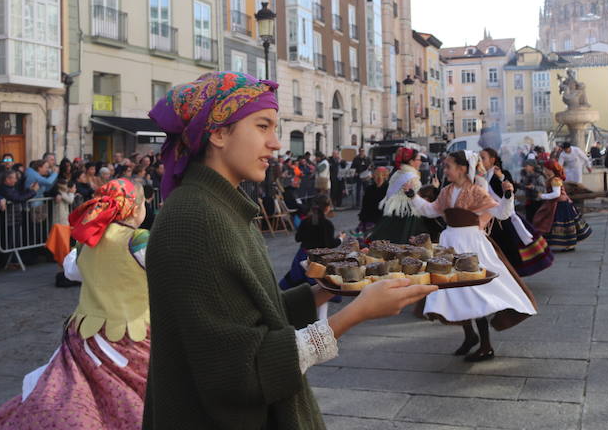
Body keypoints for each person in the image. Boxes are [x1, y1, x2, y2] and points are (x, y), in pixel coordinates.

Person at [143, 72, 436, 428]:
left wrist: (327, 289)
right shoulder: (193, 220)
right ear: (218, 133)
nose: (276, 143)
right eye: (263, 127)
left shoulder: (219, 206)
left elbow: (250, 314)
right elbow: (239, 371)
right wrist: (354, 315)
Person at [0, 179, 151, 429]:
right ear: (136, 208)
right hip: (131, 334)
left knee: (85, 394)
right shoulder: (139, 240)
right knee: (138, 396)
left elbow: (72, 271)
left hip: (87, 335)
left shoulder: (88, 240)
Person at [412, 150, 537, 361]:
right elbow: (431, 210)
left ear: (462, 169)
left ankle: (486, 345)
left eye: (449, 166)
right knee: (455, 292)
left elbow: (501, 213)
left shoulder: (476, 191)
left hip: (471, 245)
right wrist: (412, 197)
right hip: (450, 243)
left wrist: (508, 196)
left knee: (474, 292)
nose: (445, 170)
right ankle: (470, 336)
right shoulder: (446, 191)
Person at [480, 149, 553, 277]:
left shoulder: (503, 173)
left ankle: (511, 274)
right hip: (489, 219)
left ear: (492, 159)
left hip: (504, 218)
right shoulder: (482, 176)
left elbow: (509, 190)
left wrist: (501, 177)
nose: (480, 160)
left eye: (483, 157)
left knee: (509, 248)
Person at [369, 147, 429, 244]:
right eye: (418, 159)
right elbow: (415, 196)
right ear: (411, 161)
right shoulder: (411, 176)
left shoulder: (398, 173)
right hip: (407, 214)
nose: (421, 162)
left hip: (394, 212)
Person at [532, 160, 592, 251]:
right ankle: (562, 244)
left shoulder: (555, 180)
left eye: (545, 168)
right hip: (556, 203)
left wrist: (542, 196)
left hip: (560, 204)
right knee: (554, 224)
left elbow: (556, 194)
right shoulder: (551, 179)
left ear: (550, 169)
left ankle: (568, 245)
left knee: (562, 225)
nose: (544, 170)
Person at [354, 166, 389, 241]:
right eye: (377, 176)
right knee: (367, 242)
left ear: (385, 176)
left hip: (381, 221)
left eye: (381, 176)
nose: (379, 178)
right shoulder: (370, 189)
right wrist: (363, 218)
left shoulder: (388, 189)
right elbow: (365, 205)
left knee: (376, 243)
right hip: (370, 220)